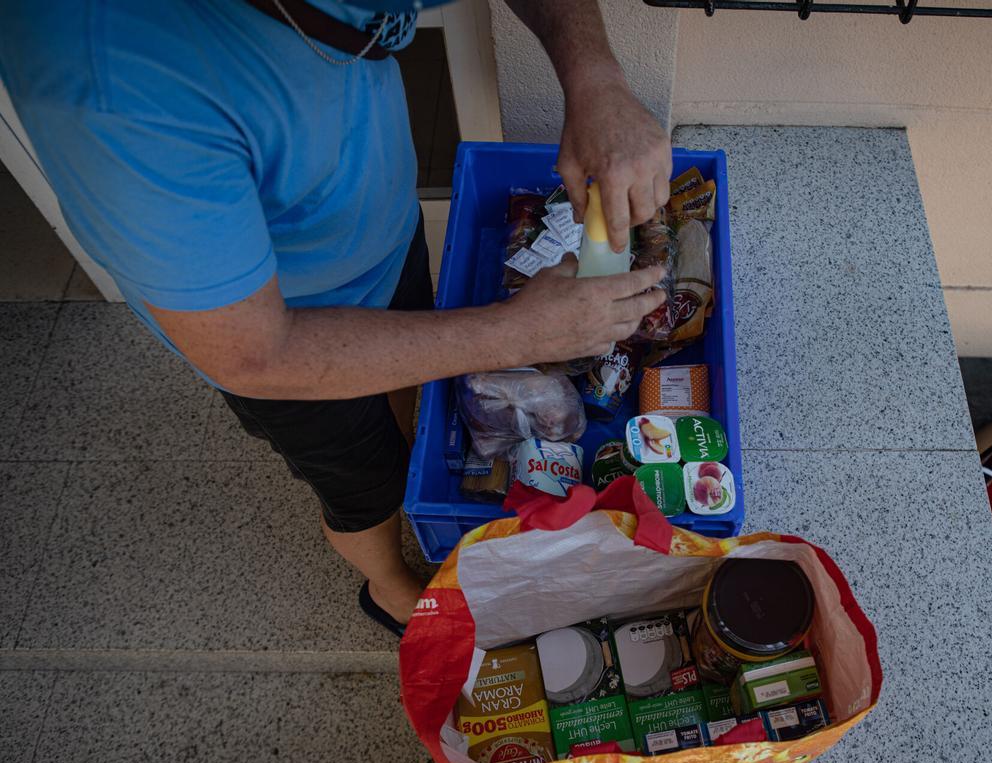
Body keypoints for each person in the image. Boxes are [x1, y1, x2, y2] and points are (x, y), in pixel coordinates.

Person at [0, 0, 672, 635]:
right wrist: (520, 331)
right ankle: (388, 584)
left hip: (369, 229)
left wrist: (595, 78)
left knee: (409, 398)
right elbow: (250, 354)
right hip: (282, 340)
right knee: (362, 481)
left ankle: (408, 459)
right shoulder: (117, 91)